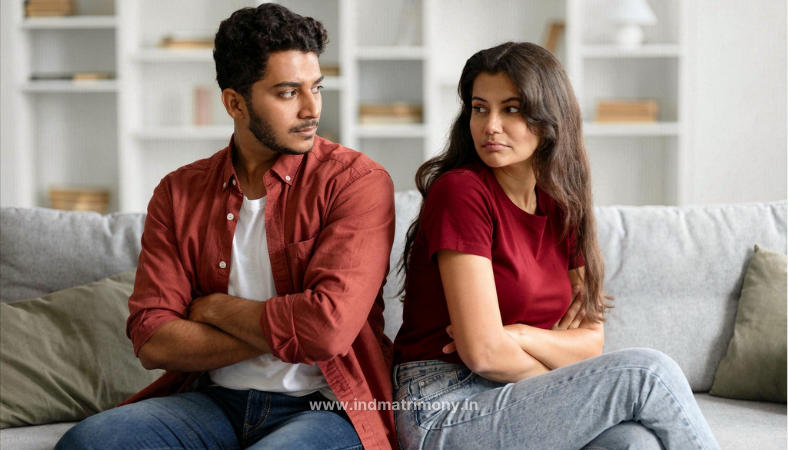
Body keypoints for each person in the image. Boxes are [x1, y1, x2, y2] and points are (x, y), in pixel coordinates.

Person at [56, 4, 397, 450]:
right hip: (214, 401)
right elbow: (153, 338)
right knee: (89, 442)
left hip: (326, 406)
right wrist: (292, 329)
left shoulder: (356, 182)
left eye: (317, 87)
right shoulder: (179, 194)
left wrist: (215, 309)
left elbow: (327, 332)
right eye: (288, 92)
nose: (312, 109)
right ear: (235, 102)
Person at [392, 42, 721, 450]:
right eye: (480, 108)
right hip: (443, 405)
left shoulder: (562, 204)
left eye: (511, 109)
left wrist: (520, 335)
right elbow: (483, 353)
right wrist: (550, 367)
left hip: (518, 396)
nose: (491, 125)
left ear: (549, 119)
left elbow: (590, 342)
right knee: (648, 373)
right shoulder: (461, 192)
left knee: (633, 442)